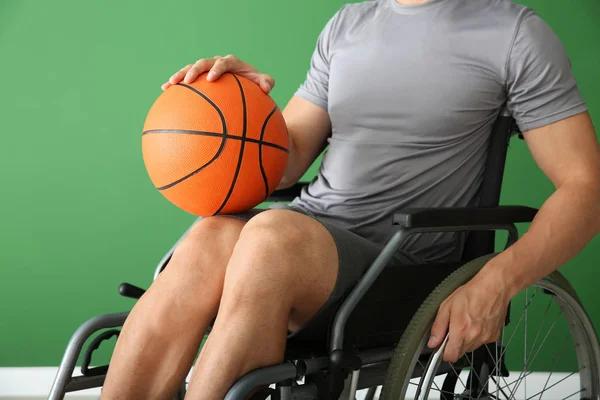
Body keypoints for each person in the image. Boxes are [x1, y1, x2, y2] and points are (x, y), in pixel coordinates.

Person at [101, 0, 600, 398]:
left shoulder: (513, 33)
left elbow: (586, 188)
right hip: (308, 239)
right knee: (214, 234)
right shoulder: (348, 25)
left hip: (403, 265)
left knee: (270, 235)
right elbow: (285, 158)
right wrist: (243, 109)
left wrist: (498, 281)